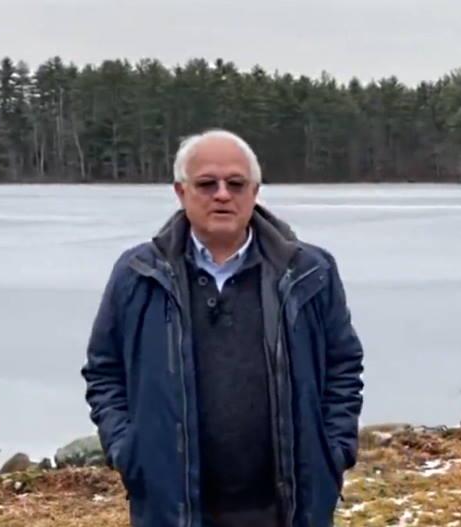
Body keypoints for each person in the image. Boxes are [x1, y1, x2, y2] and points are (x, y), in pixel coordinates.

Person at [81, 129, 365, 527]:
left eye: (235, 184)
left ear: (255, 191)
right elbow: (104, 370)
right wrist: (129, 451)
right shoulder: (138, 274)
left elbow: (343, 366)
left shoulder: (309, 273)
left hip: (289, 506)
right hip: (174, 505)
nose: (222, 194)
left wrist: (333, 451)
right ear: (181, 192)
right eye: (206, 184)